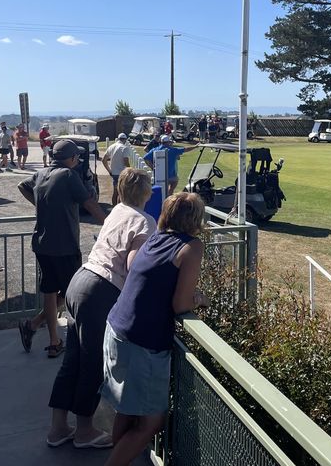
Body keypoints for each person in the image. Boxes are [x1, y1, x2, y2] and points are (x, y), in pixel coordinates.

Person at [46, 168, 156, 449]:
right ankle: (84, 431)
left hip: (79, 282)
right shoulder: (145, 221)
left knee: (73, 360)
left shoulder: (117, 210)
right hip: (100, 291)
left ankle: (58, 428)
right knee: (93, 362)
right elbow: (134, 267)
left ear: (120, 190)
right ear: (147, 192)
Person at [100, 192, 209, 466]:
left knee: (126, 410)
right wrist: (199, 299)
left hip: (117, 329)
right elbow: (180, 304)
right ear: (196, 219)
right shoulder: (192, 247)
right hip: (143, 342)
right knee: (152, 422)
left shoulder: (155, 238)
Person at [17, 139, 106, 358]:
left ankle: (50, 339)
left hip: (42, 244)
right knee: (71, 293)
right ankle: (68, 339)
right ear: (73, 158)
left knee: (49, 292)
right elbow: (90, 204)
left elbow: (22, 186)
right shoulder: (68, 175)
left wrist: (42, 204)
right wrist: (109, 225)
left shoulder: (41, 174)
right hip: (65, 246)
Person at [102, 133, 131, 206]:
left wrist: (109, 171)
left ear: (118, 139)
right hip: (122, 173)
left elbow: (104, 160)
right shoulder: (124, 148)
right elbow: (126, 161)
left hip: (114, 173)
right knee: (122, 193)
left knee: (115, 192)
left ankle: (114, 207)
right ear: (125, 140)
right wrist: (130, 170)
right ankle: (119, 208)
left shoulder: (111, 147)